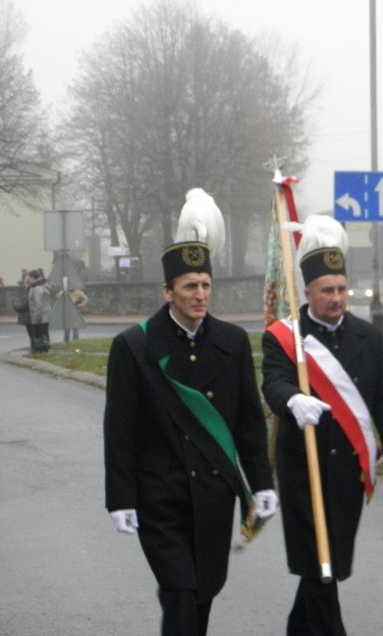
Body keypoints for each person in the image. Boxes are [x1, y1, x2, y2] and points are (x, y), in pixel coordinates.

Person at [103, 188, 276, 636]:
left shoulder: (233, 343)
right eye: (189, 286)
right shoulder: (134, 347)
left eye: (206, 285)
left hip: (214, 496)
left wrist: (261, 483)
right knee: (180, 591)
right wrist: (120, 497)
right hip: (160, 498)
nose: (200, 295)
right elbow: (119, 430)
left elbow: (248, 424)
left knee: (202, 592)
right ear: (168, 291)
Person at [261, 214, 383, 636]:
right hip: (303, 469)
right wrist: (291, 398)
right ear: (307, 292)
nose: (336, 298)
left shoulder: (366, 337)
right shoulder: (284, 337)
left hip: (346, 471)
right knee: (319, 567)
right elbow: (272, 380)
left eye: (342, 289)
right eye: (327, 290)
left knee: (329, 569)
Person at [27, 268, 51, 352]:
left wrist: (35, 318)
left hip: (39, 317)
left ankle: (41, 350)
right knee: (44, 334)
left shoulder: (37, 288)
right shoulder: (44, 285)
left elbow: (38, 304)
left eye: (29, 277)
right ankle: (44, 349)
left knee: (39, 335)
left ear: (33, 278)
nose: (28, 279)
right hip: (45, 315)